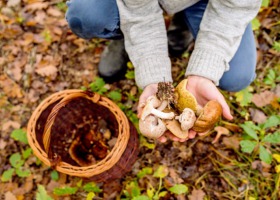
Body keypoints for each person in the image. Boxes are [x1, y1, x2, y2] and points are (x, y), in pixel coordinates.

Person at [65, 0, 262, 142]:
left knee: (236, 76)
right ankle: (121, 36)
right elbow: (140, 17)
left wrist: (204, 72)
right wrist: (156, 79)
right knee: (87, 15)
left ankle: (183, 25)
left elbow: (236, 7)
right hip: (135, 6)